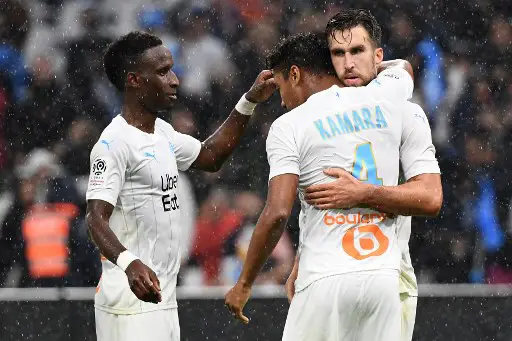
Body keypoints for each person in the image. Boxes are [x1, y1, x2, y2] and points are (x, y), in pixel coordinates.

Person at [224, 31, 441, 341]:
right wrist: (357, 67)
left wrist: (244, 283)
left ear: (295, 74)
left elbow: (277, 213)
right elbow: (403, 68)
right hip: (383, 278)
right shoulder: (384, 98)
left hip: (325, 278)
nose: (283, 101)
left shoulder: (289, 125)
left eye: (282, 87)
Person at [85, 31, 276, 341]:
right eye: (162, 72)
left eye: (172, 69)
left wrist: (248, 101)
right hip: (130, 302)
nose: (174, 80)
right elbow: (95, 218)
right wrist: (130, 262)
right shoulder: (113, 144)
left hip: (161, 299)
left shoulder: (162, 133)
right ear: (134, 80)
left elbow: (212, 155)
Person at [285, 9, 443, 341]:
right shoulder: (319, 116)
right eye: (338, 54)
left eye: (357, 51)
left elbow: (430, 198)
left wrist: (364, 194)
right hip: (326, 272)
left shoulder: (405, 111)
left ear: (378, 55)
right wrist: (304, 254)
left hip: (386, 273)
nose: (348, 63)